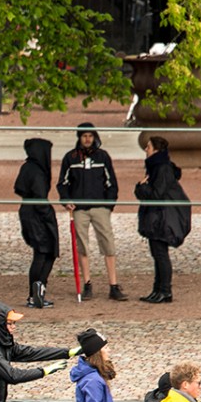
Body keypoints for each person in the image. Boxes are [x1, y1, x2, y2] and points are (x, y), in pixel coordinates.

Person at [57, 122, 126, 301]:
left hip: (100, 207)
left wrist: (108, 205)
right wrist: (67, 201)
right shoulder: (70, 158)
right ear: (79, 138)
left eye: (90, 136)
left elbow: (112, 183)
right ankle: (87, 284)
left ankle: (113, 284)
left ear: (94, 137)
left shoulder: (103, 157)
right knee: (82, 246)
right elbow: (62, 184)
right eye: (84, 136)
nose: (87, 139)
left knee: (108, 245)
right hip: (79, 209)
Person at [133, 135, 191, 304]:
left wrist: (141, 187)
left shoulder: (161, 168)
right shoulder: (155, 167)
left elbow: (156, 194)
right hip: (157, 217)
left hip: (161, 217)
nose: (146, 149)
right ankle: (158, 289)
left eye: (149, 147)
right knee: (157, 254)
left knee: (160, 254)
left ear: (156, 150)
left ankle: (164, 290)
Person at [14, 137, 60, 309]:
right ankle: (36, 294)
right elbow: (40, 197)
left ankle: (36, 294)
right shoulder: (37, 171)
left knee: (42, 254)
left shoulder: (27, 167)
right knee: (44, 253)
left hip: (29, 212)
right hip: (37, 215)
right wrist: (48, 215)